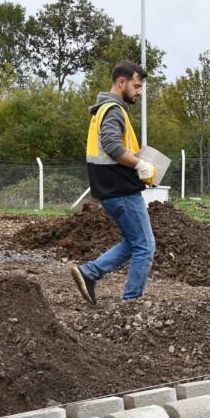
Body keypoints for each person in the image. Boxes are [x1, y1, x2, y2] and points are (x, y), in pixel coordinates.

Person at [71, 61, 157, 304]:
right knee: (145, 247)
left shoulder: (104, 109)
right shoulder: (113, 110)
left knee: (133, 242)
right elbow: (111, 145)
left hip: (110, 190)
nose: (139, 92)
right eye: (136, 86)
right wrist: (140, 165)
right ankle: (131, 303)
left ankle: (89, 272)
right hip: (121, 190)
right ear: (122, 82)